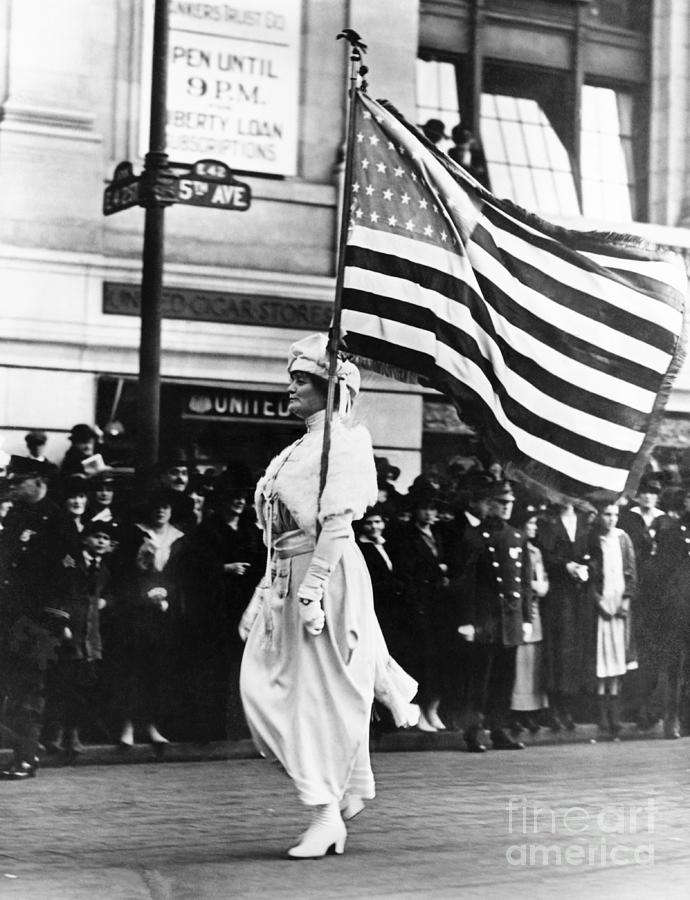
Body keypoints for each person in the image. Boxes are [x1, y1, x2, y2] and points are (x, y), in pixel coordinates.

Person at [239, 333, 415, 860]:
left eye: (302, 381)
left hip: (327, 577)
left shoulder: (344, 442)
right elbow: (277, 532)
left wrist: (312, 593)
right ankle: (336, 799)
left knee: (320, 699)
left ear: (328, 389)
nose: (291, 389)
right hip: (288, 577)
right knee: (265, 691)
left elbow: (337, 526)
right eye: (292, 379)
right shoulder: (298, 447)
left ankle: (324, 813)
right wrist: (264, 591)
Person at [0, 456, 69, 779]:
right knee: (10, 686)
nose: (13, 486)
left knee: (29, 688)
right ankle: (21, 750)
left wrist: (56, 620)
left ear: (39, 481)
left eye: (19, 481)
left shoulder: (57, 520)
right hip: (9, 616)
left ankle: (27, 758)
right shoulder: (15, 516)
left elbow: (68, 575)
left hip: (37, 621)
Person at [456, 481, 532, 751]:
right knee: (480, 677)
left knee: (505, 677)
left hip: (509, 619)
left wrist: (527, 619)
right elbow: (467, 583)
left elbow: (524, 584)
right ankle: (473, 730)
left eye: (510, 502)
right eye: (501, 502)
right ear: (489, 504)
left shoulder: (518, 537)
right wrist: (467, 621)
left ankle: (499, 728)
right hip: (484, 619)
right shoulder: (473, 537)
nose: (507, 507)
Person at [109, 488, 187, 751]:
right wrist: (145, 595)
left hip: (165, 613)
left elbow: (182, 576)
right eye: (156, 506)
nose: (161, 510)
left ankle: (152, 726)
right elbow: (124, 574)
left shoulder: (179, 538)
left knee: (157, 670)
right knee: (133, 669)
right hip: (136, 612)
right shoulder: (135, 534)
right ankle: (127, 726)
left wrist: (168, 598)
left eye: (166, 506)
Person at [43, 520, 114, 762]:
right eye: (97, 537)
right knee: (61, 683)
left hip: (89, 634)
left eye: (106, 538)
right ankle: (54, 733)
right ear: (86, 539)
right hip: (69, 630)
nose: (102, 541)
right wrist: (60, 625)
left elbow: (105, 596)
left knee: (83, 686)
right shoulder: (69, 563)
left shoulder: (104, 570)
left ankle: (73, 734)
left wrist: (104, 602)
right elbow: (57, 593)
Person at [538, 500, 592, 730]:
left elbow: (592, 553)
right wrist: (566, 566)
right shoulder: (546, 522)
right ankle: (554, 709)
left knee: (573, 651)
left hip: (578, 594)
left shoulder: (584, 522)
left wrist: (587, 568)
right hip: (556, 595)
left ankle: (568, 708)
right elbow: (545, 556)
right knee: (555, 650)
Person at [587, 502, 637, 741]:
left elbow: (630, 570)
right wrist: (599, 603)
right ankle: (601, 715)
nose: (612, 519)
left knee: (618, 656)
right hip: (602, 604)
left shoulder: (623, 539)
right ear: (599, 516)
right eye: (607, 514)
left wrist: (625, 601)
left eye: (615, 514)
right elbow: (590, 576)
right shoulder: (594, 539)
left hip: (619, 604)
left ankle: (614, 716)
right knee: (602, 655)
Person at [510, 504, 549, 734]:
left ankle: (531, 712)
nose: (534, 528)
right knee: (517, 664)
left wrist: (532, 586)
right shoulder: (513, 547)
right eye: (531, 523)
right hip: (516, 613)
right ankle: (514, 712)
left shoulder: (535, 552)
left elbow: (543, 585)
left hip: (533, 612)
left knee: (532, 665)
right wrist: (531, 586)